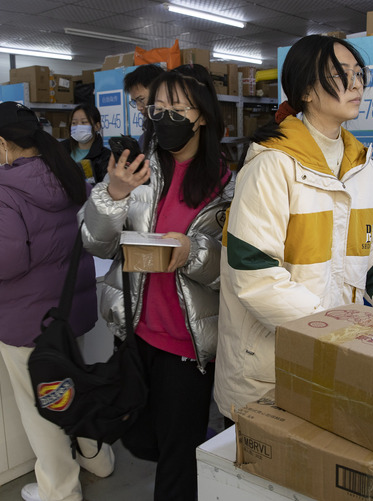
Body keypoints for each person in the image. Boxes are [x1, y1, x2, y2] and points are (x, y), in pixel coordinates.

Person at [214, 35, 373, 424]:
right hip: (271, 368)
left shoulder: (360, 167)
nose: (355, 84)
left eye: (358, 73)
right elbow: (255, 276)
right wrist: (337, 333)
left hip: (332, 357)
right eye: (339, 74)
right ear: (305, 91)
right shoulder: (272, 165)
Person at [80, 64, 234, 501]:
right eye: (156, 107)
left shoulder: (227, 183)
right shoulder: (137, 172)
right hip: (135, 336)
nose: (163, 117)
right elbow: (95, 242)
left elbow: (233, 267)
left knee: (176, 460)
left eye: (176, 108)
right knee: (139, 439)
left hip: (187, 346)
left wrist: (193, 252)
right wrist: (113, 195)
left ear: (201, 115)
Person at [0, 101, 114, 501]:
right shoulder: (69, 174)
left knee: (42, 407)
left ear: (1, 144)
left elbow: (1, 259)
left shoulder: (7, 189)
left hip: (29, 319)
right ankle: (98, 459)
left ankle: (60, 490)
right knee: (73, 387)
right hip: (69, 309)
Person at [61, 103, 110, 185]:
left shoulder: (105, 157)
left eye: (84, 122)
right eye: (74, 123)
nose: (78, 127)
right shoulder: (60, 149)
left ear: (97, 126)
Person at [124, 63, 165, 147]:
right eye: (135, 101)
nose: (138, 108)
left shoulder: (174, 132)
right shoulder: (145, 135)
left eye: (141, 99)